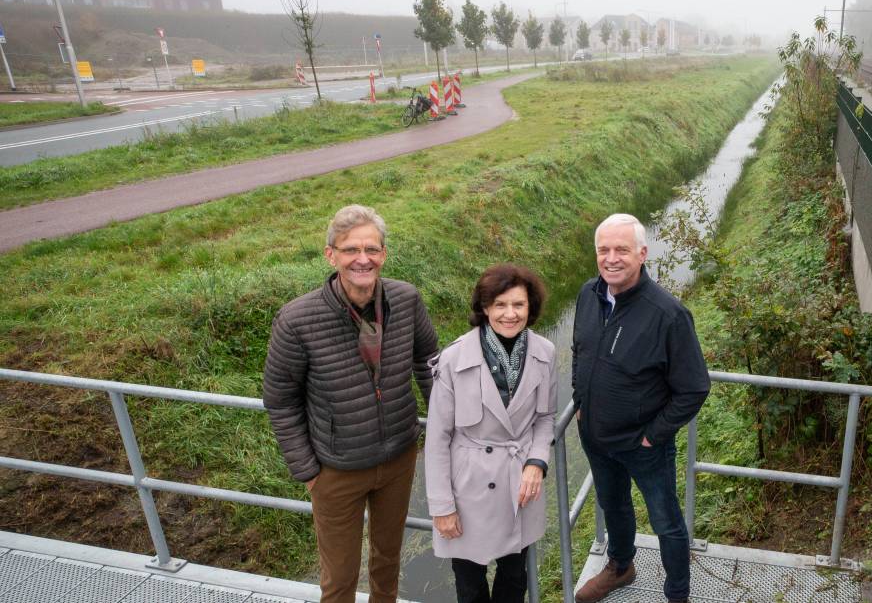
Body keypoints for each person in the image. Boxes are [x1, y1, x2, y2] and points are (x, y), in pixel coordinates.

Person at [262, 204, 439, 603]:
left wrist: (443, 426)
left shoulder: (406, 299)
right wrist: (308, 470)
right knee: (340, 576)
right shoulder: (297, 319)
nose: (363, 259)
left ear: (384, 255)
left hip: (398, 457)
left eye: (372, 249)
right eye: (350, 250)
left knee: (387, 560)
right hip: (336, 469)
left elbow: (428, 363)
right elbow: (279, 399)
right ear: (331, 255)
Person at [572, 213, 710, 603]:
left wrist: (653, 436)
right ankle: (620, 567)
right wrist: (580, 403)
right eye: (604, 250)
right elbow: (579, 351)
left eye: (622, 250)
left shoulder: (668, 314)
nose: (611, 258)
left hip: (643, 445)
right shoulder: (588, 295)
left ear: (642, 254)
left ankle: (677, 594)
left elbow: (694, 388)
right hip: (597, 438)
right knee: (612, 504)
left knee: (666, 522)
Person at [424, 264, 557, 603]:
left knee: (515, 580)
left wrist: (537, 462)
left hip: (520, 487)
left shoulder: (545, 352)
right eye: (500, 305)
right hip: (468, 490)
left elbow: (545, 418)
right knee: (470, 586)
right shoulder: (454, 359)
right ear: (484, 308)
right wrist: (442, 506)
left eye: (518, 305)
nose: (510, 314)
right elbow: (437, 438)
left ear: (531, 307)